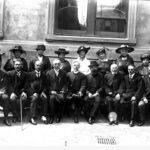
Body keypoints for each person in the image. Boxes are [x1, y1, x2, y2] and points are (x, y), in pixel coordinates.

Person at [46, 59, 67, 124]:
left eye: (58, 64)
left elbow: (65, 83)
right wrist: (51, 91)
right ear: (53, 65)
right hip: (52, 92)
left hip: (60, 91)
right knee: (52, 99)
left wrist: (63, 90)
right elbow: (47, 84)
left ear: (60, 65)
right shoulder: (49, 72)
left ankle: (58, 116)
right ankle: (51, 116)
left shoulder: (63, 73)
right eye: (55, 64)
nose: (57, 65)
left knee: (61, 99)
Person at [27, 60, 48, 125]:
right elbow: (27, 85)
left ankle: (43, 116)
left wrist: (43, 92)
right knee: (34, 99)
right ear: (34, 66)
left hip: (41, 92)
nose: (39, 67)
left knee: (44, 99)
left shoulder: (44, 74)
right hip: (32, 93)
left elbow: (46, 85)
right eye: (37, 65)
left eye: (40, 65)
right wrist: (33, 92)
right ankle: (32, 118)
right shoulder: (30, 74)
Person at [0, 52, 11, 126]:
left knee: (6, 97)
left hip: (1, 93)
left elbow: (5, 85)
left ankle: (6, 118)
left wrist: (1, 91)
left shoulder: (4, 73)